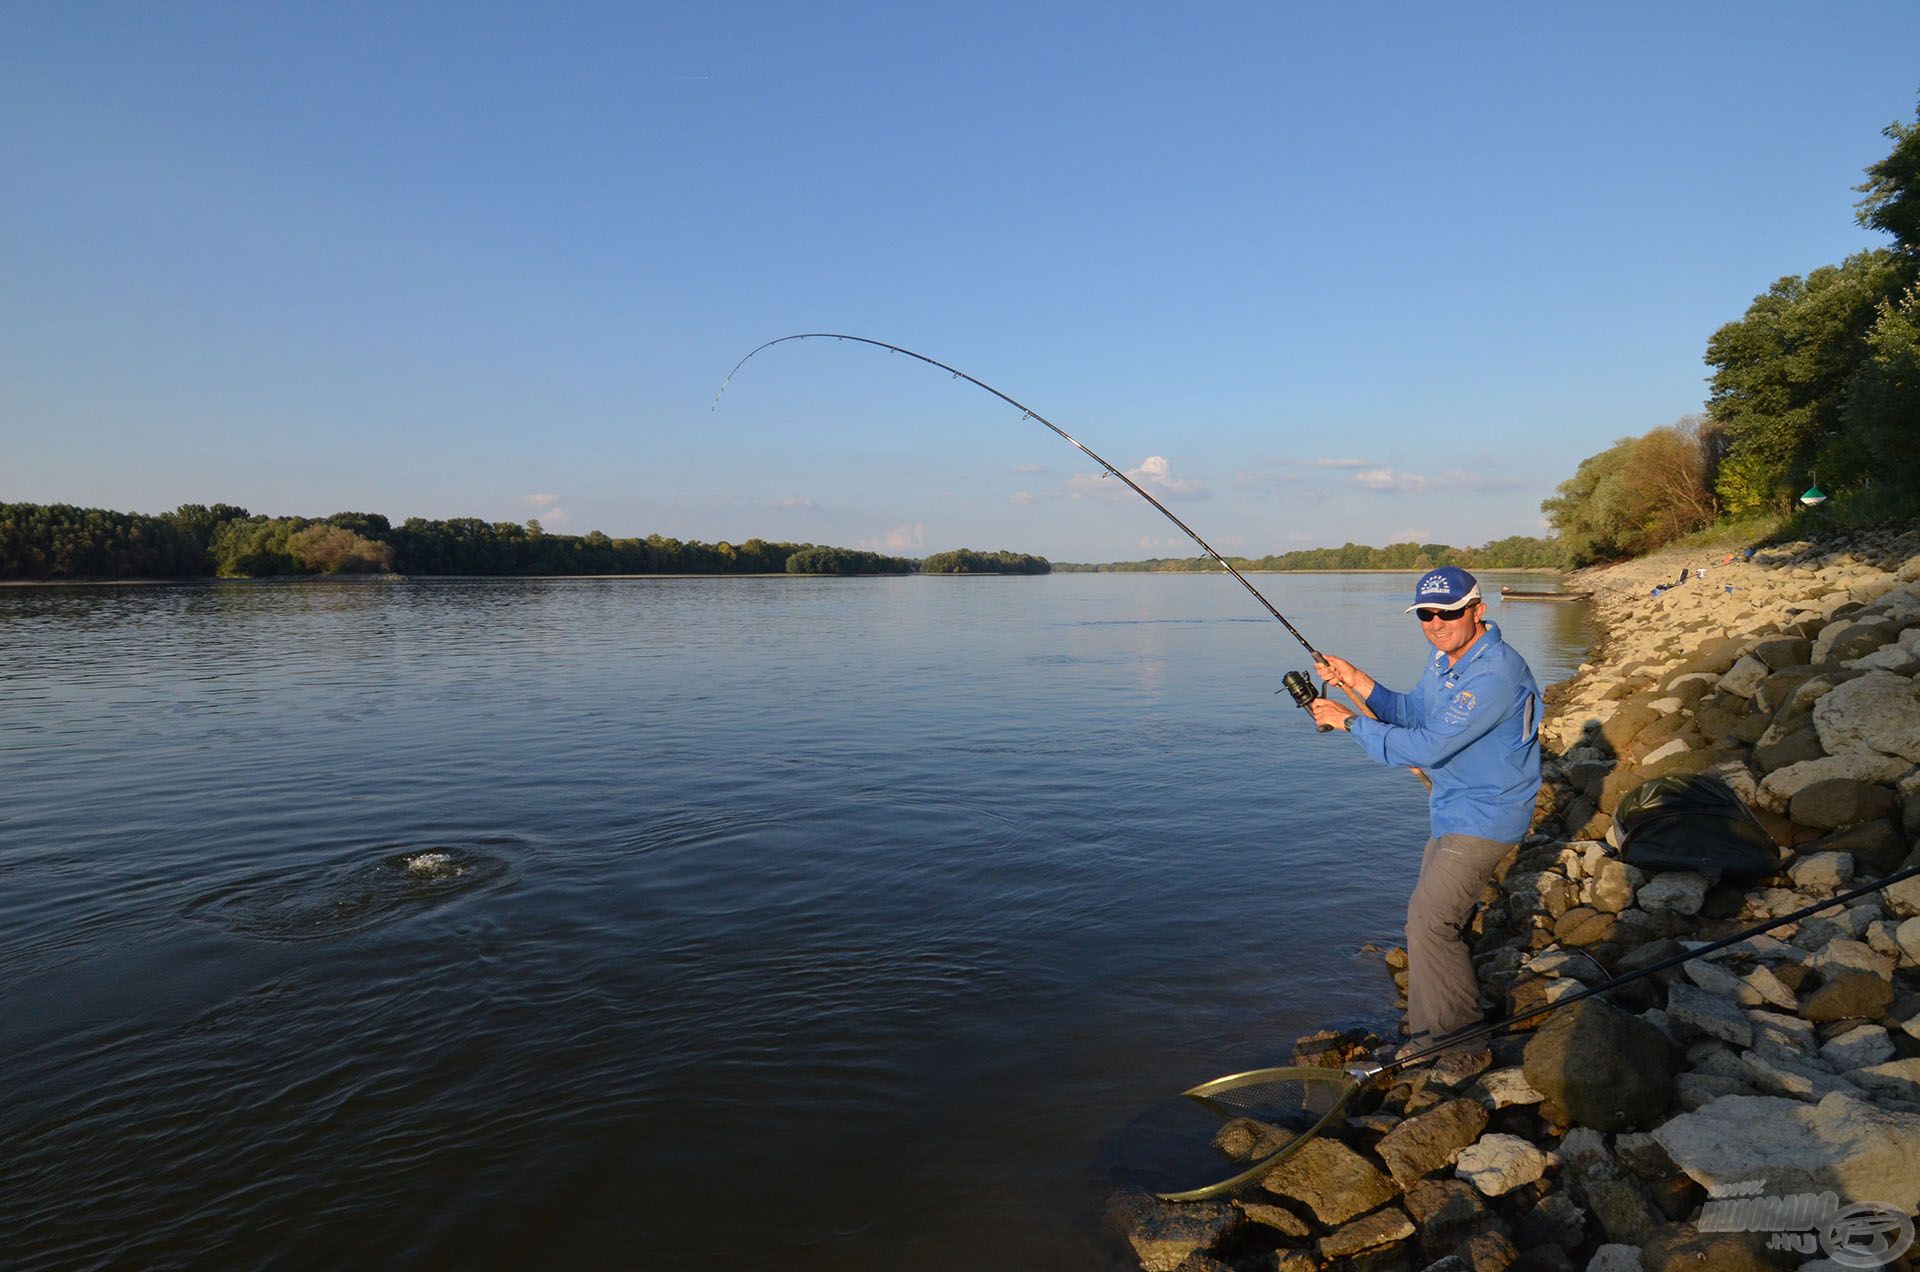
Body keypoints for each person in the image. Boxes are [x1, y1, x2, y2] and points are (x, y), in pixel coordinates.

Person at [1308, 566, 1542, 1050]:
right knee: (1426, 919)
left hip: (1488, 814)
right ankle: (1424, 1029)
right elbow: (1416, 713)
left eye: (1448, 612)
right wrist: (1357, 679)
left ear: (1477, 610)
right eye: (1426, 614)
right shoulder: (1445, 660)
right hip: (1453, 807)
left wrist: (1349, 722)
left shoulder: (1495, 673)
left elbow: (1429, 746)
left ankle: (1455, 1039)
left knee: (1431, 921)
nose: (1436, 622)